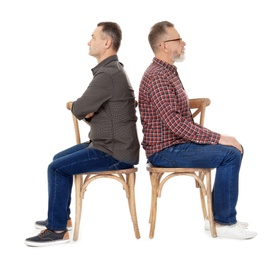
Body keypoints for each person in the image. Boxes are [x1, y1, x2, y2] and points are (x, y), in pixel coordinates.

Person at [138, 21, 257, 240]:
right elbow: (175, 123)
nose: (183, 42)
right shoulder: (157, 76)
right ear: (164, 45)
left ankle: (219, 216)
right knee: (230, 154)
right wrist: (218, 138)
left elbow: (180, 121)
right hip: (166, 150)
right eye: (178, 39)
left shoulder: (168, 72)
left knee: (234, 148)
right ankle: (223, 222)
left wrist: (216, 138)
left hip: (176, 144)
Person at [25, 22, 140, 247]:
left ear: (106, 43)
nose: (89, 41)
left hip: (114, 151)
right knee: (58, 160)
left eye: (93, 36)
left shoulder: (108, 74)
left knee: (56, 168)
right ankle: (62, 217)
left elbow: (79, 108)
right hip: (108, 144)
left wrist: (84, 108)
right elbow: (91, 109)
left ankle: (57, 230)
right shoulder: (112, 71)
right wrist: (89, 110)